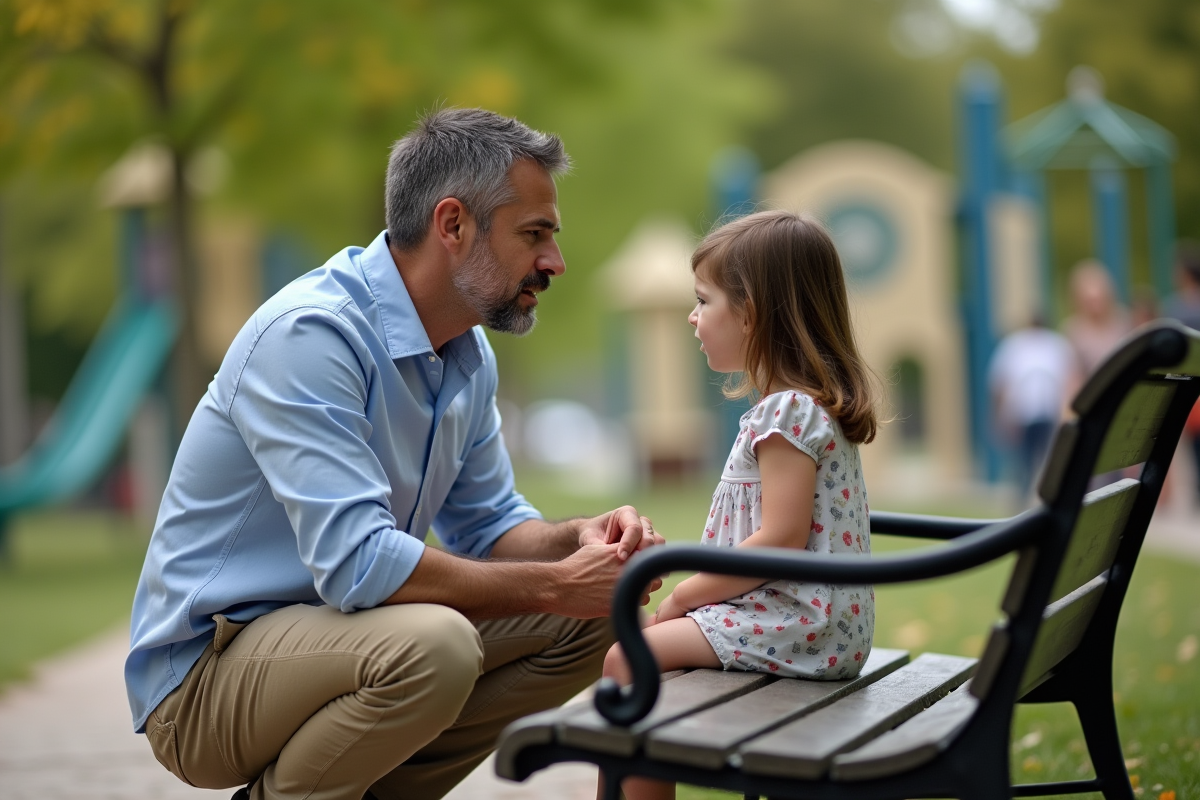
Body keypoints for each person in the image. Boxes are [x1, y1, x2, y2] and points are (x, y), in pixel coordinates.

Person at [125, 108, 665, 800]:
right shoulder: (311, 337)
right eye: (535, 234)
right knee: (435, 648)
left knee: (594, 620)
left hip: (347, 640)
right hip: (206, 678)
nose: (554, 262)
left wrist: (579, 544)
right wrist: (555, 583)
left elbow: (491, 527)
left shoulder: (468, 355)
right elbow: (358, 563)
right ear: (452, 224)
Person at [599, 211, 879, 800]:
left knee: (630, 661)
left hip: (799, 626)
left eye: (704, 301)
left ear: (751, 314)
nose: (693, 317)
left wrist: (682, 594)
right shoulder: (804, 407)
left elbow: (779, 540)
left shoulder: (786, 414)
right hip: (813, 624)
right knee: (641, 655)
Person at [988, 317, 1078, 501]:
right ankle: (1027, 496)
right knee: (1026, 461)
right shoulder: (1021, 345)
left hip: (1046, 413)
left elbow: (999, 384)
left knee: (1042, 460)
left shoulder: (1018, 345)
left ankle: (1035, 497)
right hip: (1023, 414)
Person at [1061, 259, 1132, 379]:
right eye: (1089, 301)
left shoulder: (1124, 321)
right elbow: (1072, 375)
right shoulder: (1073, 330)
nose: (1095, 307)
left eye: (1098, 299)